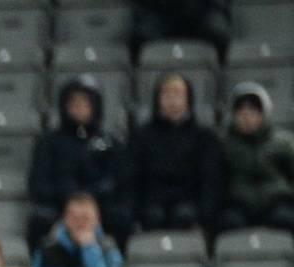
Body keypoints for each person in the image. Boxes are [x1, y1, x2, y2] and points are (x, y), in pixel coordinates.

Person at [28, 79, 128, 246]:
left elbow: (119, 181)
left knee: (122, 219)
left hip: (100, 208)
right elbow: (38, 183)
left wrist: (90, 201)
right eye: (74, 103)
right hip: (59, 207)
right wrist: (70, 200)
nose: (79, 108)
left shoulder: (110, 143)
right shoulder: (49, 142)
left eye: (85, 103)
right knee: (38, 221)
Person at [125, 73, 224, 235]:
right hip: (151, 205)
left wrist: (205, 217)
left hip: (190, 205)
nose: (172, 100)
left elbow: (210, 180)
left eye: (178, 94)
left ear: (188, 99)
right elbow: (131, 179)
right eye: (166, 94)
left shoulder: (205, 138)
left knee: (185, 216)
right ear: (157, 99)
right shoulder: (140, 137)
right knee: (152, 216)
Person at [219, 83, 294, 233]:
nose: (246, 116)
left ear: (263, 114)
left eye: (252, 111)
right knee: (229, 222)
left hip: (276, 202)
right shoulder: (223, 145)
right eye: (241, 112)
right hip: (239, 204)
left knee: (285, 219)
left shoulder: (283, 143)